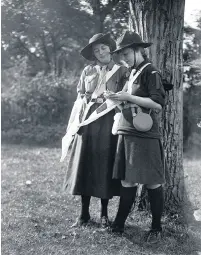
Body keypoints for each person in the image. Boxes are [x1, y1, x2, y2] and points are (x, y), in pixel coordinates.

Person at [63, 33, 128, 228]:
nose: (100, 52)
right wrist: (84, 101)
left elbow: (125, 95)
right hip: (88, 121)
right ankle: (83, 214)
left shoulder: (121, 71)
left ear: (110, 49)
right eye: (96, 50)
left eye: (103, 48)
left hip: (108, 121)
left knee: (104, 165)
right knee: (85, 163)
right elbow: (80, 93)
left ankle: (104, 214)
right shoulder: (88, 70)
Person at [107, 31, 166, 243]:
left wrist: (128, 96)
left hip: (145, 133)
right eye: (121, 54)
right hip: (128, 131)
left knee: (152, 182)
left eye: (126, 53)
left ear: (138, 49)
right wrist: (118, 99)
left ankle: (157, 227)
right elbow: (130, 101)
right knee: (127, 179)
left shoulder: (151, 72)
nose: (124, 58)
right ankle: (119, 224)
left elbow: (157, 104)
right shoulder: (132, 72)